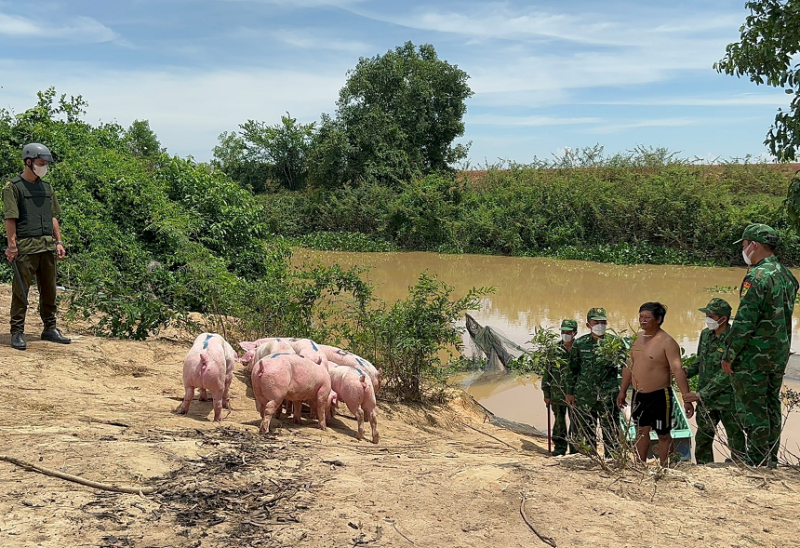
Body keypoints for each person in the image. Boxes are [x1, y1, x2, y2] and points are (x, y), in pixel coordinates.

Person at [703, 224, 797, 467]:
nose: (743, 250)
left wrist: (729, 355)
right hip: (777, 355)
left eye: (744, 245)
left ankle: (756, 461)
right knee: (771, 407)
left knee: (751, 410)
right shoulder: (788, 275)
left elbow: (744, 322)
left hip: (753, 357)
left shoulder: (756, 276)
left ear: (753, 245)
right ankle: (769, 459)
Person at [3, 143, 71, 350]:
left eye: (46, 164)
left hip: (47, 246)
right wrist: (12, 246)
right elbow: (10, 219)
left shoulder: (47, 187)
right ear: (28, 161)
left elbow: (52, 217)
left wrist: (58, 241)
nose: (44, 167)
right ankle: (17, 332)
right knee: (21, 292)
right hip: (26, 247)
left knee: (49, 290)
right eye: (41, 163)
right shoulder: (13, 187)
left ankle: (50, 328)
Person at [617, 302, 694, 466]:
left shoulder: (667, 342)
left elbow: (678, 370)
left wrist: (687, 398)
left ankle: (665, 467)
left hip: (660, 396)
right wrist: (623, 391)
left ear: (658, 319)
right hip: (639, 395)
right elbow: (628, 366)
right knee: (641, 432)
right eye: (641, 317)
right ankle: (640, 465)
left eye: (647, 318)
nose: (642, 321)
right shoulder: (636, 339)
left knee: (663, 433)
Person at [685, 298, 746, 464]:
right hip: (707, 401)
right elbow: (700, 360)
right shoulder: (706, 334)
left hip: (729, 400)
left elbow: (727, 374)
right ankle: (705, 468)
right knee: (703, 439)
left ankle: (740, 466)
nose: (707, 319)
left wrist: (699, 394)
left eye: (711, 316)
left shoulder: (735, 339)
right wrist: (685, 372)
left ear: (723, 319)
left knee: (735, 438)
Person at [567, 307, 624, 458]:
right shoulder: (580, 344)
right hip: (585, 395)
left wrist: (623, 392)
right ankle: (589, 459)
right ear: (588, 325)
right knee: (585, 430)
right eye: (596, 322)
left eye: (603, 322)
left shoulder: (615, 343)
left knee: (611, 429)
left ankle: (612, 460)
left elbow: (626, 368)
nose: (600, 325)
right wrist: (569, 393)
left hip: (609, 395)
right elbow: (572, 369)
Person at [542, 319, 578, 456]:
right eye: (563, 331)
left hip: (576, 394)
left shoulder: (580, 348)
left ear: (575, 332)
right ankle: (559, 448)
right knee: (559, 422)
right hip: (557, 393)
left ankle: (575, 449)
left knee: (575, 423)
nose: (565, 334)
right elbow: (548, 372)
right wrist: (546, 393)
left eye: (568, 332)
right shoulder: (554, 350)